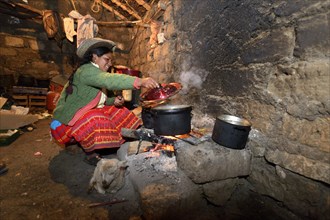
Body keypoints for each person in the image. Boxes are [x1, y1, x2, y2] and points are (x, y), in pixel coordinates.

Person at [50, 38, 159, 166]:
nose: (109, 64)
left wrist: (114, 101)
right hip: (64, 123)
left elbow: (101, 99)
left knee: (118, 110)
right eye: (106, 60)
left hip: (79, 116)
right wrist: (139, 81)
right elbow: (108, 80)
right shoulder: (86, 70)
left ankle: (132, 135)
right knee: (95, 118)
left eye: (111, 60)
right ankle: (91, 154)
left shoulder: (96, 72)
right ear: (95, 57)